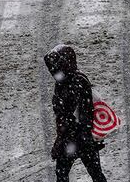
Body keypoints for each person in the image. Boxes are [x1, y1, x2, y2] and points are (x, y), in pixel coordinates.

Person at [45, 45, 107, 182]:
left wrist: (62, 140)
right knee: (95, 173)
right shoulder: (74, 81)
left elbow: (71, 115)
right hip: (82, 138)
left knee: (63, 174)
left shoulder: (72, 83)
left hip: (75, 137)